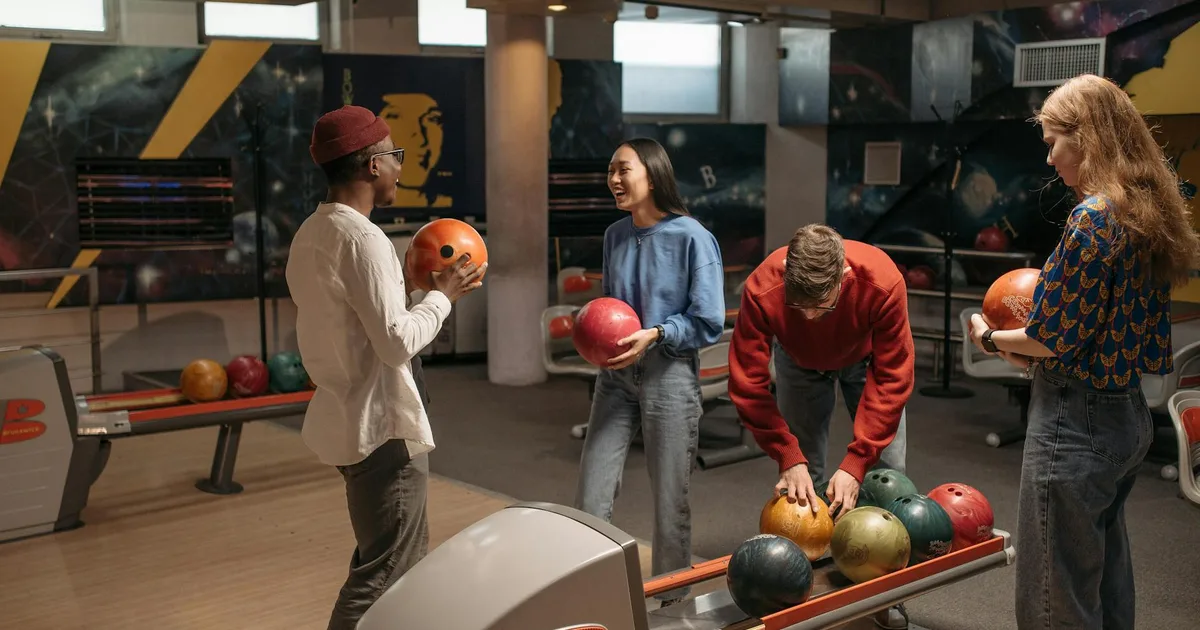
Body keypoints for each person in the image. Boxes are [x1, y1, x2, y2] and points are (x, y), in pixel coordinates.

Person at [967, 74, 1199, 630]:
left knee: (1056, 591)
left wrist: (989, 336)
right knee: (1105, 574)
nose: (1050, 159)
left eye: (1052, 142)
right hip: (1125, 417)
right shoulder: (1144, 211)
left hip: (1075, 422)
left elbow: (1051, 338)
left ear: (1087, 137)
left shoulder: (1092, 219)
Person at [286, 105, 485, 630]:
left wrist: (408, 290)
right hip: (382, 432)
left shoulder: (312, 233)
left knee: (380, 561)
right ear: (373, 166)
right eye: (395, 156)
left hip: (348, 418)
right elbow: (396, 344)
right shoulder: (364, 239)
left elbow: (357, 322)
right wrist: (443, 297)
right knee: (387, 576)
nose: (401, 166)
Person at [727, 224, 914, 629]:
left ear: (844, 276)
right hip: (797, 361)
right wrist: (785, 453)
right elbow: (747, 381)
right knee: (800, 484)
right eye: (799, 307)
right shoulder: (763, 288)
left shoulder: (881, 281)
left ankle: (886, 593)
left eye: (821, 306)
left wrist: (857, 461)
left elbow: (893, 378)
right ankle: (797, 595)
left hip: (866, 360)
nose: (810, 315)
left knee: (887, 478)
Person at [574, 137, 726, 607]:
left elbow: (709, 320)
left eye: (624, 169)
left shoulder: (693, 237)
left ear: (653, 172)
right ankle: (587, 596)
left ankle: (672, 605)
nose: (614, 180)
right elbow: (612, 308)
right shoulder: (615, 235)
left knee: (669, 504)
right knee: (589, 496)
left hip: (669, 376)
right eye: (610, 171)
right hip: (615, 378)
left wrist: (657, 333)